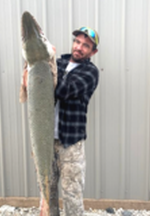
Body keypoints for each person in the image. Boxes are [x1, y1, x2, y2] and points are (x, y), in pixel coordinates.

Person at [50, 27, 99, 216]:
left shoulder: (90, 73)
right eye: (77, 42)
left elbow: (64, 90)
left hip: (71, 143)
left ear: (93, 52)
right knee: (47, 190)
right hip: (47, 141)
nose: (79, 47)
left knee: (72, 193)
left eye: (85, 45)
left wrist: (48, 65)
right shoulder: (58, 62)